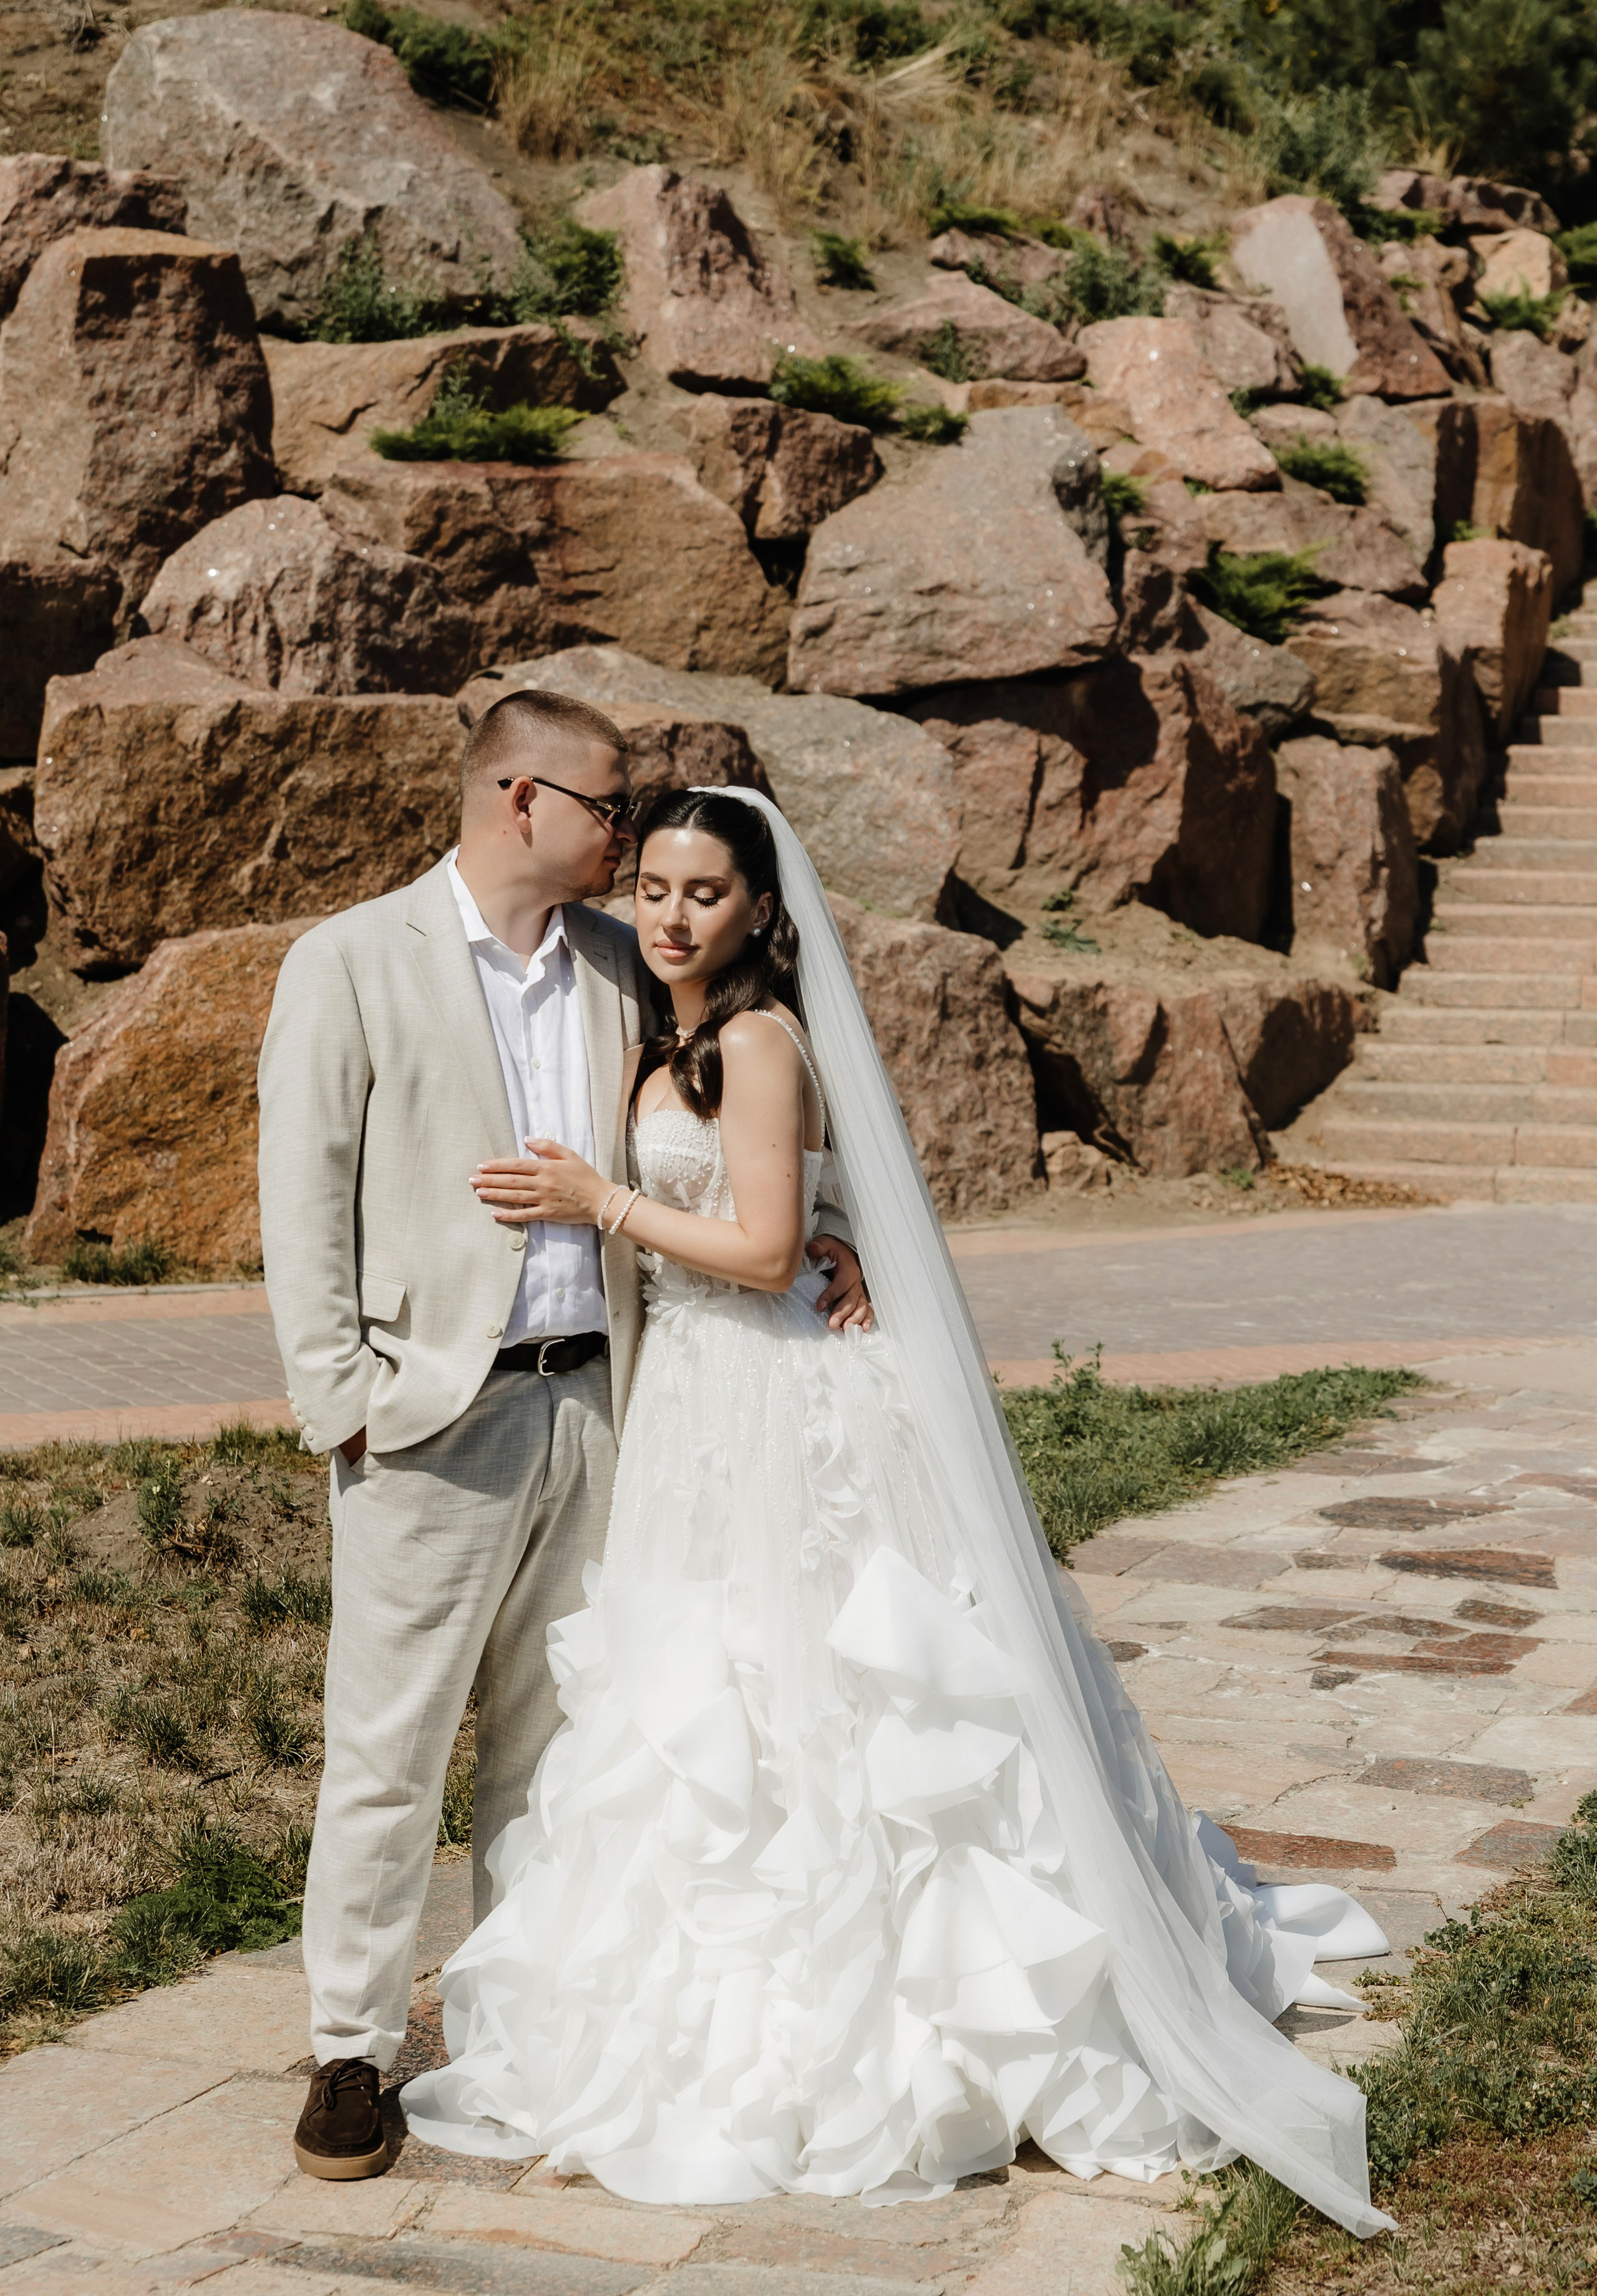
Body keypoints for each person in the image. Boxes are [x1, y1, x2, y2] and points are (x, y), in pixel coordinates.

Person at [397, 788, 1395, 2238]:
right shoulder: (668, 1031)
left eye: (704, 892)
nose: (670, 915)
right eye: (655, 886)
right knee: (705, 1698)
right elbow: (796, 1210)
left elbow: (756, 1249)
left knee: (830, 1697)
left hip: (775, 1402)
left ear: (759, 910)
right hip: (692, 1406)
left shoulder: (757, 1039)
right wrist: (835, 1231)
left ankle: (893, 2019)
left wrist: (598, 1200)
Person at [257, 696, 868, 2182]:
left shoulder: (619, 960)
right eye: (612, 806)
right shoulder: (352, 960)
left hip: (607, 1403)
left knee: (558, 1747)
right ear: (522, 798)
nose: (630, 833)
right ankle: (351, 2048)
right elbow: (301, 1195)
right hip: (430, 1418)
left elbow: (754, 1090)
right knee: (389, 1750)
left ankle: (516, 2025)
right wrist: (344, 1400)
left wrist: (836, 1227)